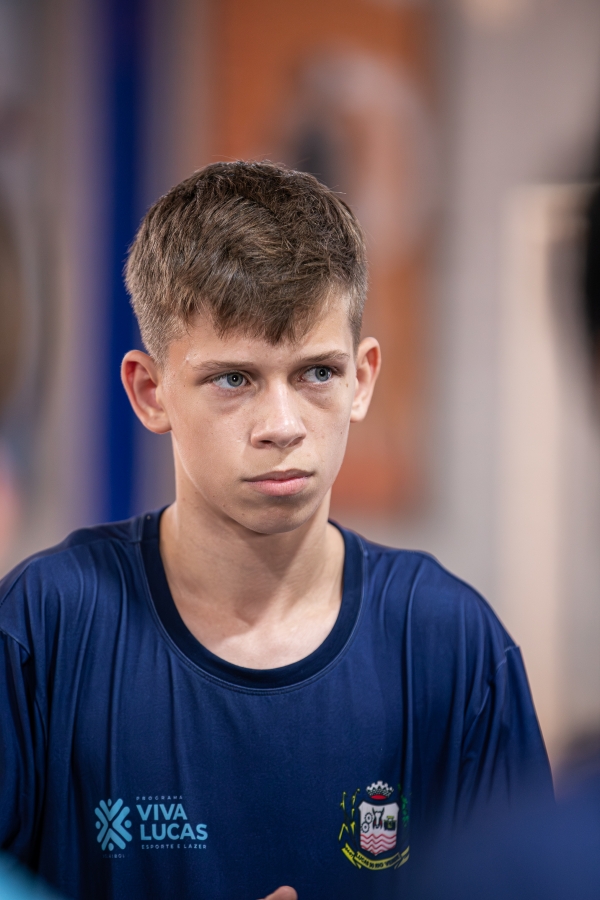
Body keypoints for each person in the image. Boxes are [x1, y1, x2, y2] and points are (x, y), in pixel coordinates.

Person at [0, 161, 552, 900]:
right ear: (150, 391)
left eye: (317, 373)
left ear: (363, 379)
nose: (283, 426)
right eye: (234, 379)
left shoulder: (451, 645)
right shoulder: (44, 628)